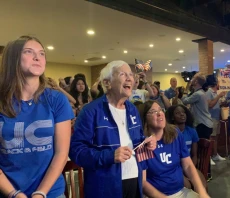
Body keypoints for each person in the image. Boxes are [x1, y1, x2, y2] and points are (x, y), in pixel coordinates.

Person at [69, 60, 157, 198]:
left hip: (134, 179)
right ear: (107, 83)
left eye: (130, 74)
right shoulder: (90, 111)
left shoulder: (132, 109)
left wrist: (145, 142)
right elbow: (76, 151)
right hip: (105, 186)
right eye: (122, 74)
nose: (129, 78)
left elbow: (136, 139)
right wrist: (110, 156)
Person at [0, 36, 74, 198]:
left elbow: (61, 153)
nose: (37, 57)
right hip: (7, 191)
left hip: (50, 192)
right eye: (28, 52)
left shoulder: (56, 100)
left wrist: (41, 193)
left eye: (42, 54)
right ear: (13, 59)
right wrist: (14, 194)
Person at [138, 101, 210, 198]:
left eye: (160, 110)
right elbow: (142, 182)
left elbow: (188, 165)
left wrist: (201, 191)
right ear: (145, 119)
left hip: (180, 191)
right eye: (153, 112)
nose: (159, 113)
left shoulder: (175, 133)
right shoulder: (142, 143)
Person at [165, 105, 207, 190]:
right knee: (187, 186)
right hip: (174, 168)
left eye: (183, 112)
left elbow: (194, 155)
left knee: (202, 185)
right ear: (172, 117)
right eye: (178, 113)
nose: (182, 114)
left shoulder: (191, 131)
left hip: (188, 165)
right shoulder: (169, 133)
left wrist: (191, 170)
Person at [182, 73, 213, 139]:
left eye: (193, 78)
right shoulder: (201, 92)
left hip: (202, 124)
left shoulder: (198, 94)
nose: (191, 80)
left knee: (199, 146)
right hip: (206, 123)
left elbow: (184, 101)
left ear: (196, 82)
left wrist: (185, 91)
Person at [206, 79, 226, 162]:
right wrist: (218, 96)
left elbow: (215, 104)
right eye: (218, 83)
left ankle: (215, 154)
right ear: (215, 84)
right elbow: (210, 105)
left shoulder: (215, 93)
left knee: (216, 137)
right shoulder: (209, 92)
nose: (219, 84)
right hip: (211, 118)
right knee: (211, 137)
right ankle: (209, 156)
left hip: (217, 117)